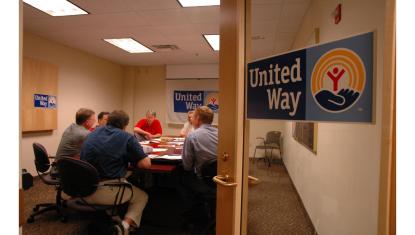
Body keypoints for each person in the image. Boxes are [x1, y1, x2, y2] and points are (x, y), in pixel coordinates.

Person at [80, 110, 151, 233]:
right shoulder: (127, 137)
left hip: (82, 188)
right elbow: (146, 164)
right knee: (142, 197)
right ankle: (124, 227)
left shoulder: (92, 133)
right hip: (106, 190)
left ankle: (112, 215)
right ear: (125, 125)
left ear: (108, 121)